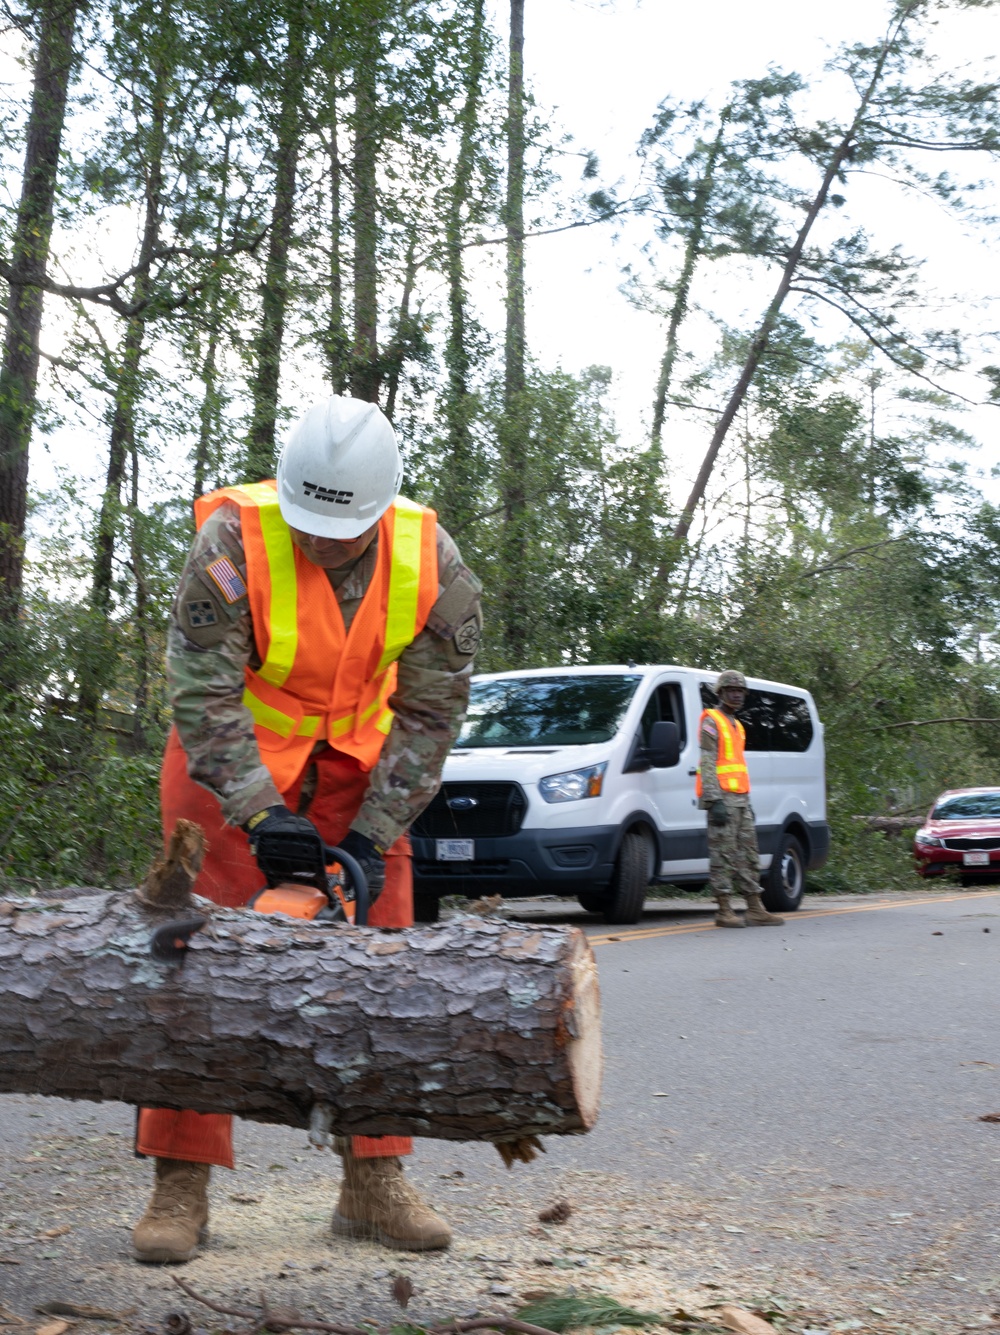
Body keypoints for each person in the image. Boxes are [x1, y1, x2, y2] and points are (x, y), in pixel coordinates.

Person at [132, 395, 483, 1264]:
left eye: (340, 530)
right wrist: (260, 812)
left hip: (360, 762)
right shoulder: (231, 540)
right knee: (192, 958)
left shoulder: (432, 558)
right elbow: (201, 691)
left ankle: (374, 1177)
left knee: (383, 961)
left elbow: (433, 713)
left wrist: (371, 833)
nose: (320, 541)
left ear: (378, 509)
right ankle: (181, 1178)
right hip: (231, 756)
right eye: (309, 524)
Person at [696, 670, 784, 929]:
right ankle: (724, 909)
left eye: (740, 691)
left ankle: (755, 907)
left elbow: (736, 764)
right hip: (722, 799)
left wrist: (747, 802)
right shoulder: (711, 720)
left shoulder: (737, 725)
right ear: (720, 693)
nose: (736, 694)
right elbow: (709, 761)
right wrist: (713, 799)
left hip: (741, 799)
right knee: (723, 855)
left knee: (749, 855)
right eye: (731, 690)